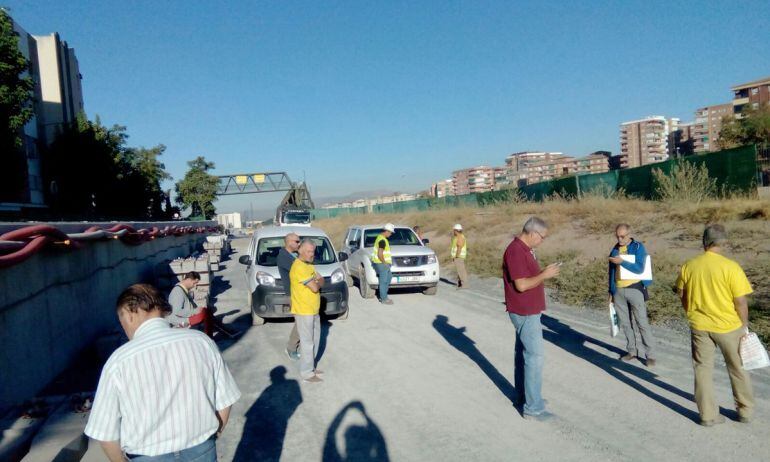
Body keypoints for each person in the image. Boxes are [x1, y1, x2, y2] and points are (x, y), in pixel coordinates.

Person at [85, 284, 241, 461]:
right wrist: (213, 435)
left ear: (129, 316)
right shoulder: (201, 342)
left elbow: (105, 432)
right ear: (161, 309)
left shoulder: (119, 361)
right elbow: (225, 400)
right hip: (201, 450)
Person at [676, 224, 754, 427]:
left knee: (702, 369)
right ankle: (744, 410)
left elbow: (682, 294)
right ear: (724, 242)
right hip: (729, 326)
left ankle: (708, 415)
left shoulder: (689, 265)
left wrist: (690, 312)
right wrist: (744, 326)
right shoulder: (731, 267)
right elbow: (740, 302)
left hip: (700, 326)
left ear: (704, 242)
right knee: (738, 368)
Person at [502, 217, 560, 421]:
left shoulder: (524, 249)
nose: (542, 241)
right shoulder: (516, 251)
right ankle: (533, 408)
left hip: (526, 310)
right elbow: (521, 285)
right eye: (542, 237)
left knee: (523, 356)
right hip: (524, 311)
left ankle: (524, 397)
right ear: (533, 233)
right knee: (534, 358)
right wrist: (544, 275)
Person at [608, 224, 657, 366]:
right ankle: (631, 351)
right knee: (625, 323)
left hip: (635, 289)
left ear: (629, 234)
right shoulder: (615, 249)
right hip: (618, 290)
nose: (619, 239)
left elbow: (640, 268)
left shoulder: (638, 247)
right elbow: (611, 272)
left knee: (641, 322)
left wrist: (622, 262)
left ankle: (650, 355)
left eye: (622, 236)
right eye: (617, 236)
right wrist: (611, 291)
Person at [290, 239, 325, 383]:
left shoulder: (309, 265)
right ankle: (306, 373)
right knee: (307, 342)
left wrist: (317, 281)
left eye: (313, 251)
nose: (312, 254)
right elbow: (316, 287)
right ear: (301, 251)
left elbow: (322, 280)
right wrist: (317, 282)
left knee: (315, 339)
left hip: (313, 309)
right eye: (309, 251)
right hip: (304, 311)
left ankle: (311, 367)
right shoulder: (299, 267)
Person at [278, 232, 301, 360]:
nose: (299, 243)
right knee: (301, 322)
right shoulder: (283, 256)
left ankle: (296, 346)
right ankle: (291, 348)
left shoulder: (293, 255)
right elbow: (299, 271)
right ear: (289, 242)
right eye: (297, 241)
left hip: (300, 294)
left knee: (303, 322)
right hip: (293, 295)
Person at [371, 223, 395, 305]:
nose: (391, 234)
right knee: (383, 281)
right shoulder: (382, 240)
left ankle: (383, 294)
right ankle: (384, 298)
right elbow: (380, 253)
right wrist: (385, 263)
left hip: (381, 263)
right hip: (382, 264)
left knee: (389, 277)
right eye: (391, 232)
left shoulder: (380, 237)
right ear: (387, 231)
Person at [450, 224, 468, 289]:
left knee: (461, 271)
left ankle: (464, 285)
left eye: (454, 230)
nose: (453, 232)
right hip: (457, 257)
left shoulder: (460, 237)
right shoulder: (457, 237)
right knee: (459, 271)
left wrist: (456, 256)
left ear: (456, 231)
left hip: (459, 257)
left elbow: (459, 248)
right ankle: (459, 284)